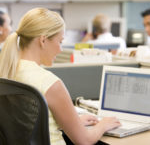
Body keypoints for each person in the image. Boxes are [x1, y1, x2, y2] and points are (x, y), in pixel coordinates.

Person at [0, 8, 120, 145]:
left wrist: (72, 122)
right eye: (60, 41)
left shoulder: (8, 71)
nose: (61, 49)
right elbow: (84, 140)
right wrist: (103, 125)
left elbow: (26, 125)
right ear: (43, 40)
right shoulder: (49, 82)